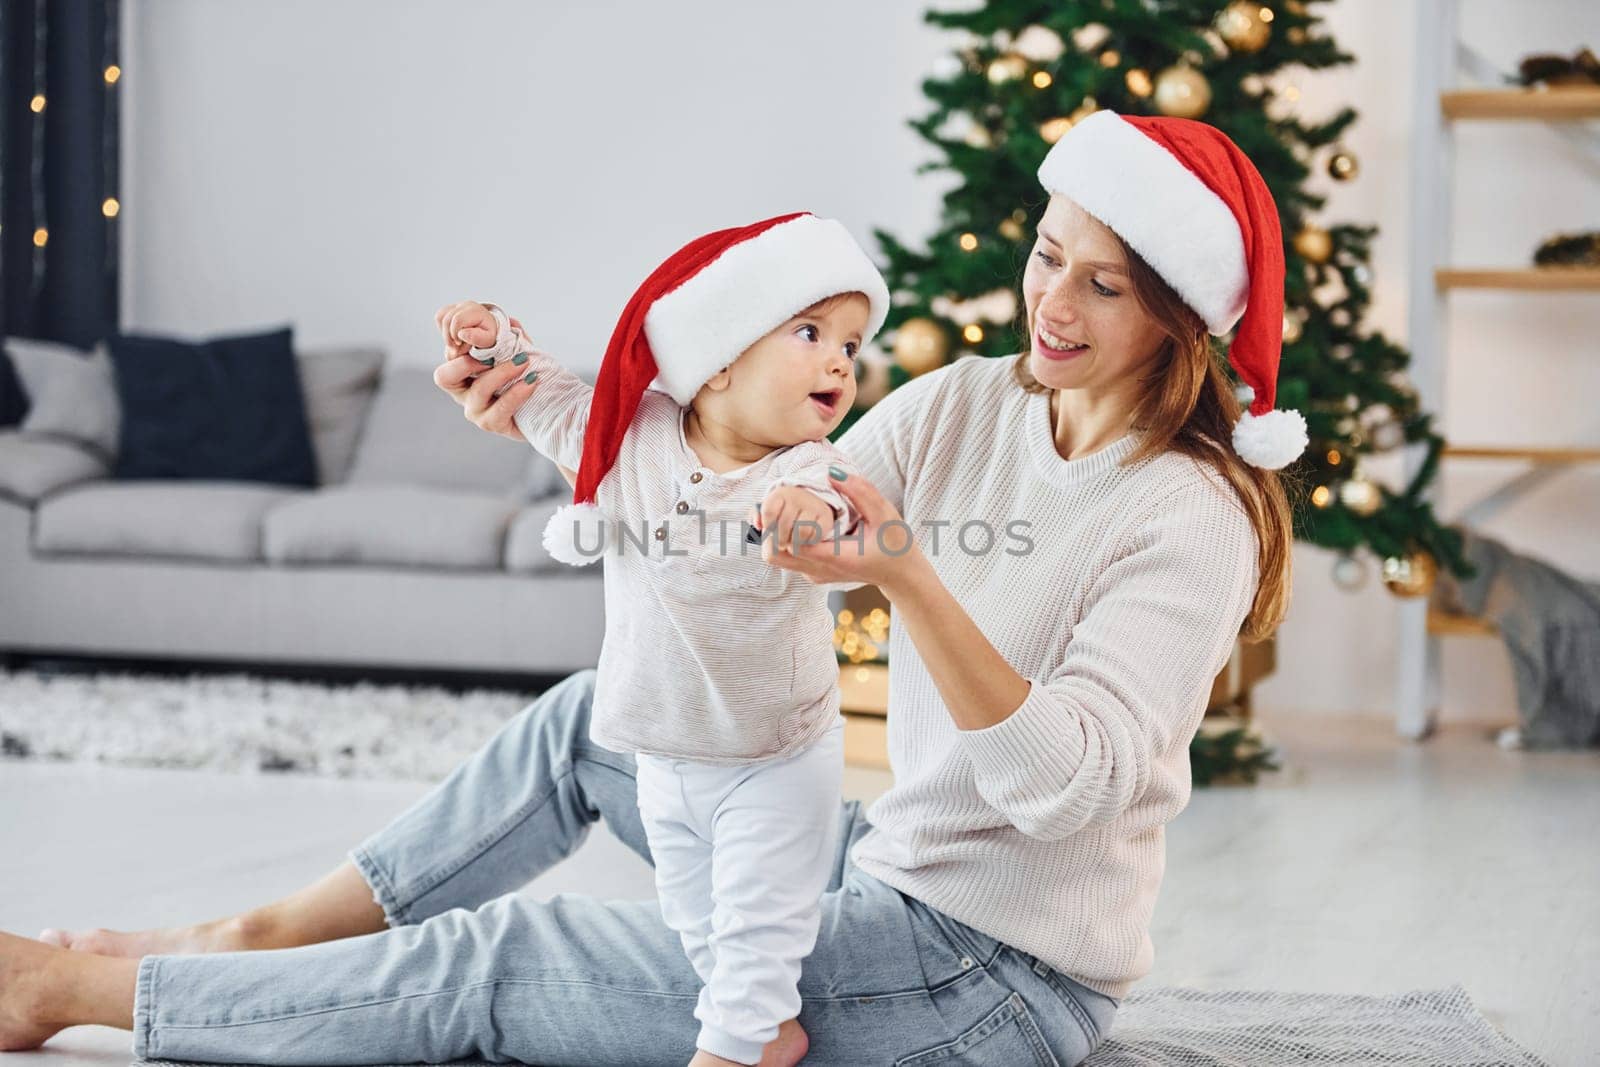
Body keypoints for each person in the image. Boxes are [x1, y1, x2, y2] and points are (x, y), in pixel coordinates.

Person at [7, 110, 1300, 1067]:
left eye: (1105, 282)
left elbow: (1066, 781)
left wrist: (906, 575)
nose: (1051, 300)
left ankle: (74, 996)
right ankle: (257, 930)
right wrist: (558, 411)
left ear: (1181, 317)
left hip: (996, 972)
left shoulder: (1186, 516)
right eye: (1047, 251)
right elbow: (744, 497)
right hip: (902, 870)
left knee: (508, 963)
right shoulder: (978, 398)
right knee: (590, 718)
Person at [438, 210, 892, 1067]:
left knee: (761, 928)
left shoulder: (798, 467)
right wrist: (496, 339)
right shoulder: (631, 438)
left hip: (776, 754)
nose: (842, 359)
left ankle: (732, 1049)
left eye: (852, 341)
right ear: (717, 360)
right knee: (697, 920)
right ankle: (773, 1032)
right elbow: (555, 399)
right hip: (662, 747)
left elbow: (833, 497)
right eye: (811, 331)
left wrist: (810, 515)